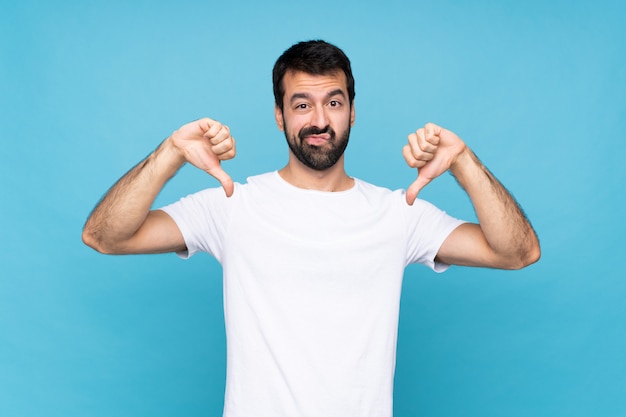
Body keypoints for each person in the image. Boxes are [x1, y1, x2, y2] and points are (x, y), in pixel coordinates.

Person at [83, 40, 540, 417]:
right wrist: (170, 154)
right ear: (280, 116)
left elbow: (516, 252)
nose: (319, 120)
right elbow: (105, 236)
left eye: (333, 102)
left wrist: (463, 162)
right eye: (302, 104)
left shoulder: (399, 213)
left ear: (352, 112)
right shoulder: (232, 206)